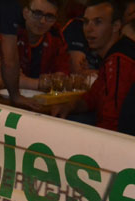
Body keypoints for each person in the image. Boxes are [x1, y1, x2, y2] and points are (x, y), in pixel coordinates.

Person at [55, 0, 135, 130]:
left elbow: (112, 121)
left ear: (116, 26)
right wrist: (69, 106)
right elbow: (92, 97)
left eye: (98, 22)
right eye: (86, 22)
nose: (89, 29)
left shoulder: (119, 59)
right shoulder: (113, 54)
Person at [11, 0, 71, 90]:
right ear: (25, 13)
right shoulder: (11, 31)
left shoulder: (56, 37)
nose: (42, 21)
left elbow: (61, 80)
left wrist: (25, 82)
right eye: (37, 13)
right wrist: (43, 83)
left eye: (49, 16)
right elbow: (0, 77)